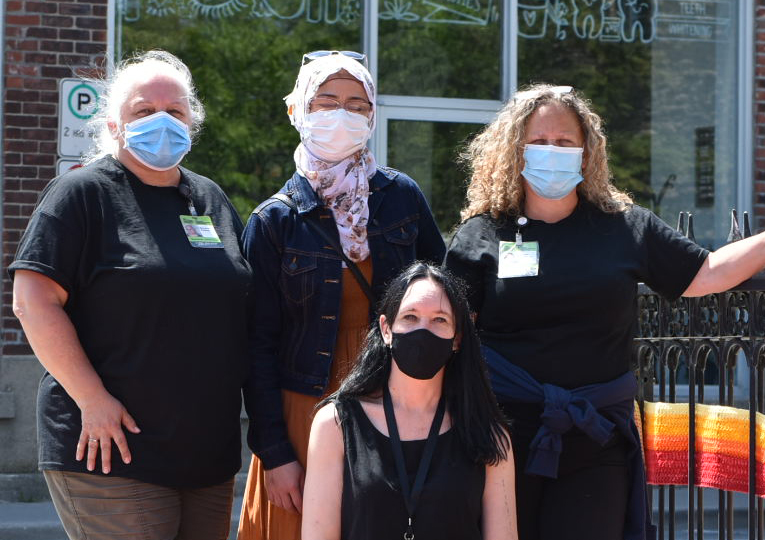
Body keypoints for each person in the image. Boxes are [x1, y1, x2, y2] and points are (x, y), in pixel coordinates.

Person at [445, 83, 765, 539]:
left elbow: (706, 273)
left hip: (597, 437)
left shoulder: (625, 228)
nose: (552, 151)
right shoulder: (482, 233)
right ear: (515, 151)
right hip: (499, 437)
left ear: (586, 153)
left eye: (564, 142)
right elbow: (452, 337)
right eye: (539, 142)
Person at [8, 50, 250, 539]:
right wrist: (92, 399)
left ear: (192, 123)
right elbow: (32, 301)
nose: (162, 120)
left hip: (206, 452)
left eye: (175, 111)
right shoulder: (81, 194)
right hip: (110, 448)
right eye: (144, 110)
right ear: (115, 124)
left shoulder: (210, 200)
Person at [239, 50, 448, 539]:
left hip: (396, 401)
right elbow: (256, 345)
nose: (342, 114)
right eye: (327, 100)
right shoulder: (274, 219)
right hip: (302, 408)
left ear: (372, 115)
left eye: (357, 104)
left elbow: (445, 298)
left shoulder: (402, 197)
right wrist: (275, 454)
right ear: (298, 112)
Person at [301, 262, 516, 539]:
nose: (422, 331)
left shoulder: (489, 433)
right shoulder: (335, 424)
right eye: (410, 317)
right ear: (386, 329)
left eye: (440, 320)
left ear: (457, 338)